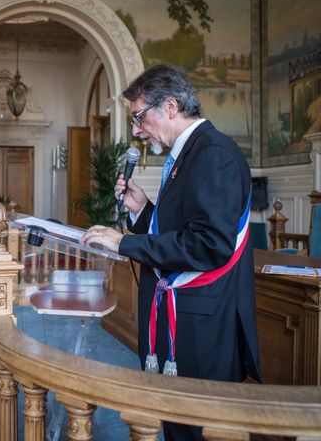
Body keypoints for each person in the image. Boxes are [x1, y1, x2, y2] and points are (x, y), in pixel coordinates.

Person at [80, 64, 260, 441]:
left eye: (139, 117)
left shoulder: (213, 154)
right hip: (182, 317)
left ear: (172, 107)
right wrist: (142, 210)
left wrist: (123, 242)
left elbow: (208, 245)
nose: (136, 130)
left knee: (196, 429)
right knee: (176, 426)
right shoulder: (186, 154)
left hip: (202, 325)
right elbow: (179, 234)